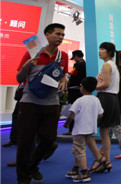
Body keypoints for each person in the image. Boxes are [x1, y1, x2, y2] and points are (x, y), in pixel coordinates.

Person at [15, 23, 68, 184]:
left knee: (49, 139)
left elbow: (63, 75)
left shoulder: (63, 56)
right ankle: (23, 178)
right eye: (57, 34)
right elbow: (19, 78)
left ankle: (32, 165)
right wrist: (26, 66)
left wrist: (64, 80)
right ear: (47, 35)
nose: (60, 37)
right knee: (25, 141)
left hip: (52, 103)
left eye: (62, 35)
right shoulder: (32, 53)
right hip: (30, 102)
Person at [64, 77, 103, 183]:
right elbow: (100, 114)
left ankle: (84, 173)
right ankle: (75, 169)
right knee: (77, 149)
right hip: (90, 129)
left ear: (83, 87)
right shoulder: (96, 99)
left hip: (80, 130)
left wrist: (67, 123)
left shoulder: (79, 101)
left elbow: (71, 114)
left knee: (80, 151)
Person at [92, 42, 120, 174]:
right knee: (104, 133)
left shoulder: (106, 65)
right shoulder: (113, 65)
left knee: (101, 132)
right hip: (112, 99)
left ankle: (103, 160)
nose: (100, 51)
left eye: (102, 49)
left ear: (109, 52)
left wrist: (89, 87)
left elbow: (106, 84)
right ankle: (106, 161)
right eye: (100, 49)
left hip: (106, 98)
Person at [63, 50, 86, 135]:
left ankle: (71, 129)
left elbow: (72, 77)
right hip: (79, 91)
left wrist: (67, 88)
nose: (74, 60)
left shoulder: (78, 65)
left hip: (74, 91)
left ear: (76, 56)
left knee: (73, 110)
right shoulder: (84, 64)